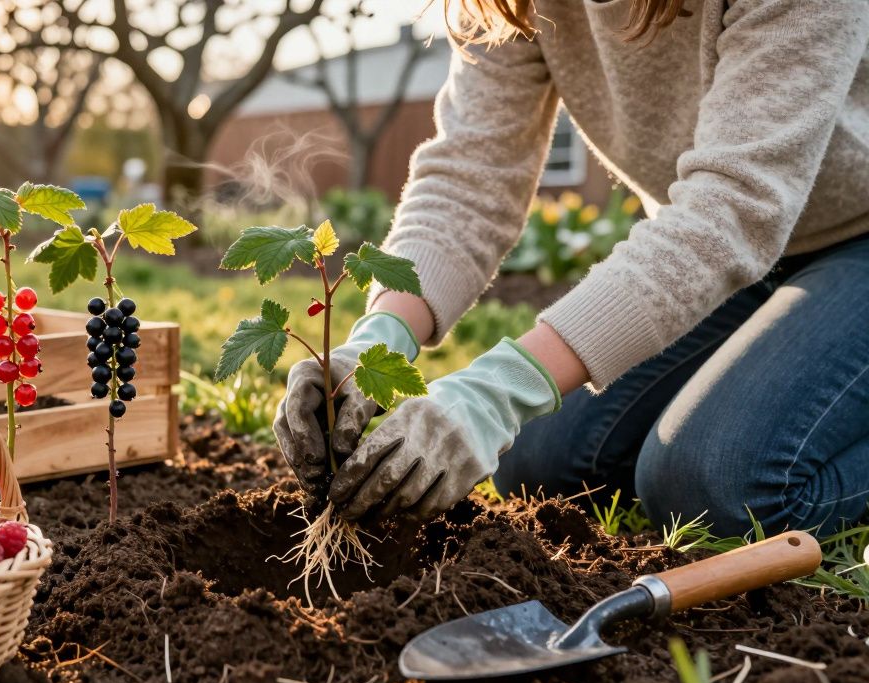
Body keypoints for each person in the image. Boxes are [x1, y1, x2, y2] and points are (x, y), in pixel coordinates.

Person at [274, 0, 869, 538]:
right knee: (540, 464)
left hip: (851, 236)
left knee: (718, 488)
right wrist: (378, 340)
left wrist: (497, 391)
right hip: (733, 264)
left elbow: (734, 208)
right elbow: (469, 179)